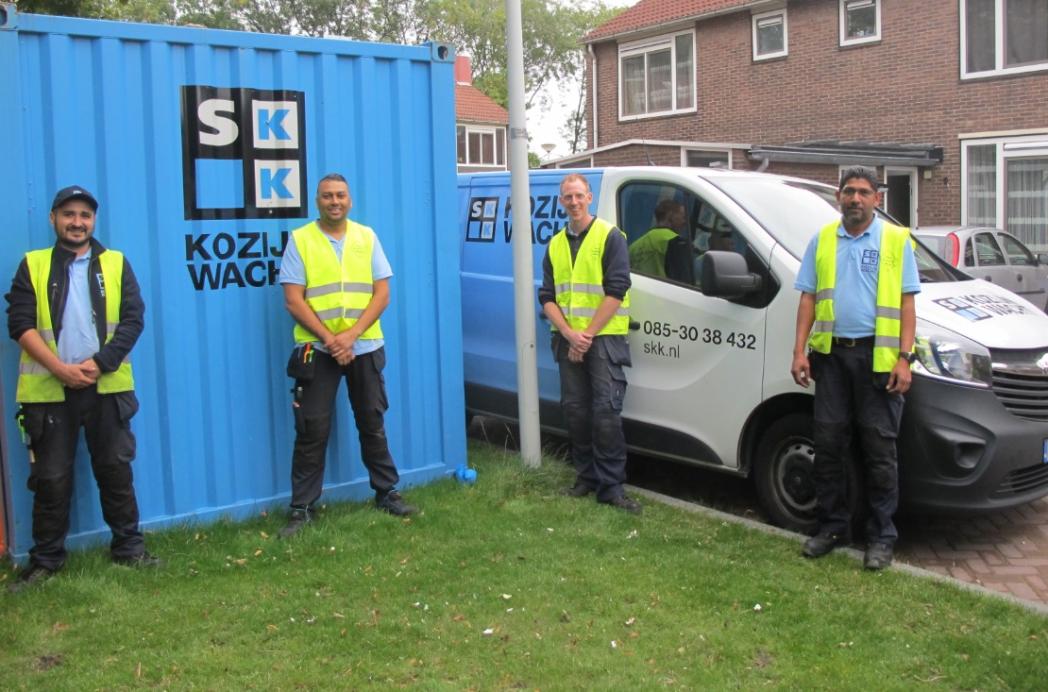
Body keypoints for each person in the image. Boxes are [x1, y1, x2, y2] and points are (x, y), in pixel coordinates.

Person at [6, 185, 156, 592]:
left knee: (115, 470)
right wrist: (59, 368)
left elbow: (132, 320)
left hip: (105, 387)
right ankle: (46, 562)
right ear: (53, 218)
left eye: (85, 215)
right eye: (68, 214)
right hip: (51, 391)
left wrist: (99, 364)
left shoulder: (117, 264)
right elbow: (19, 323)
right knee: (51, 478)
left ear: (93, 221)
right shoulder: (32, 265)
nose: (77, 222)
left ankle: (130, 549)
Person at [790, 166, 920, 570]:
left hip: (878, 363)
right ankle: (832, 528)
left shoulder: (897, 241)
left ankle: (881, 537)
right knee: (828, 447)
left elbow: (907, 304)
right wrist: (798, 352)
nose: (856, 199)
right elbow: (808, 300)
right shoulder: (823, 240)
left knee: (880, 452)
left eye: (864, 192)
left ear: (877, 199)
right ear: (838, 197)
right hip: (830, 359)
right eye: (849, 191)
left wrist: (905, 357)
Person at [277, 173, 416, 537]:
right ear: (317, 201)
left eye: (340, 195)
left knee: (372, 421)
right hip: (316, 349)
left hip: (364, 346)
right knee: (312, 429)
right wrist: (331, 339)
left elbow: (382, 294)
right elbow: (293, 299)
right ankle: (302, 508)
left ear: (349, 200)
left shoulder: (366, 237)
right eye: (327, 196)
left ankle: (386, 493)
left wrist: (351, 336)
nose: (334, 201)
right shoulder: (300, 240)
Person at [538, 173, 640, 513]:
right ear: (561, 201)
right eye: (567, 197)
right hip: (569, 341)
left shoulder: (610, 236)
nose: (574, 202)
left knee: (606, 413)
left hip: (603, 339)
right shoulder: (554, 244)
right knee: (576, 413)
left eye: (579, 195)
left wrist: (586, 336)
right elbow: (547, 297)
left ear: (590, 197)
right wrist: (569, 334)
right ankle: (586, 478)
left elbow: (617, 289)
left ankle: (611, 487)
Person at [628, 199, 692, 282]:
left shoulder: (634, 246)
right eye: (683, 217)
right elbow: (684, 280)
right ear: (670, 216)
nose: (685, 222)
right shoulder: (675, 241)